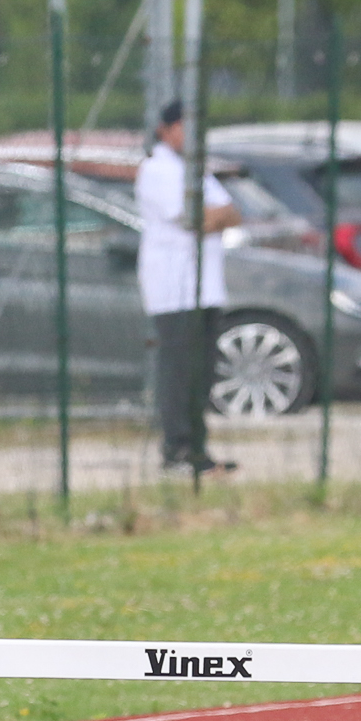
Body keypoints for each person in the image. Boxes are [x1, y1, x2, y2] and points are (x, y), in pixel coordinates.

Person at [133, 101, 241, 476]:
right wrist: (210, 217)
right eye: (183, 126)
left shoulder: (195, 170)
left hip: (206, 285)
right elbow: (193, 218)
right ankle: (176, 449)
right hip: (173, 288)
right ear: (165, 130)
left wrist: (211, 217)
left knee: (202, 372)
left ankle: (198, 449)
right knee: (179, 371)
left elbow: (232, 213)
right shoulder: (157, 169)